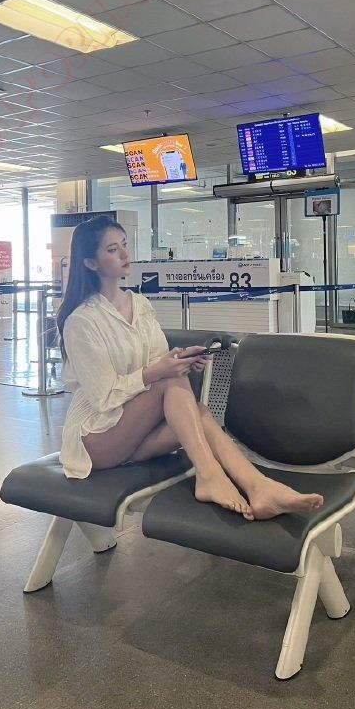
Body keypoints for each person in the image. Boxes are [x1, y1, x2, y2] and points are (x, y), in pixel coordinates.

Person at [55, 217, 324, 521]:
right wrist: (161, 370)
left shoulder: (139, 304)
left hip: (135, 433)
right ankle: (211, 477)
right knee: (171, 382)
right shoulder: (82, 321)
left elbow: (156, 360)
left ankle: (258, 486)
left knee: (197, 411)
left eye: (125, 245)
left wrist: (179, 360)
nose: (125, 254)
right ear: (91, 263)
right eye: (113, 250)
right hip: (96, 440)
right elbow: (103, 397)